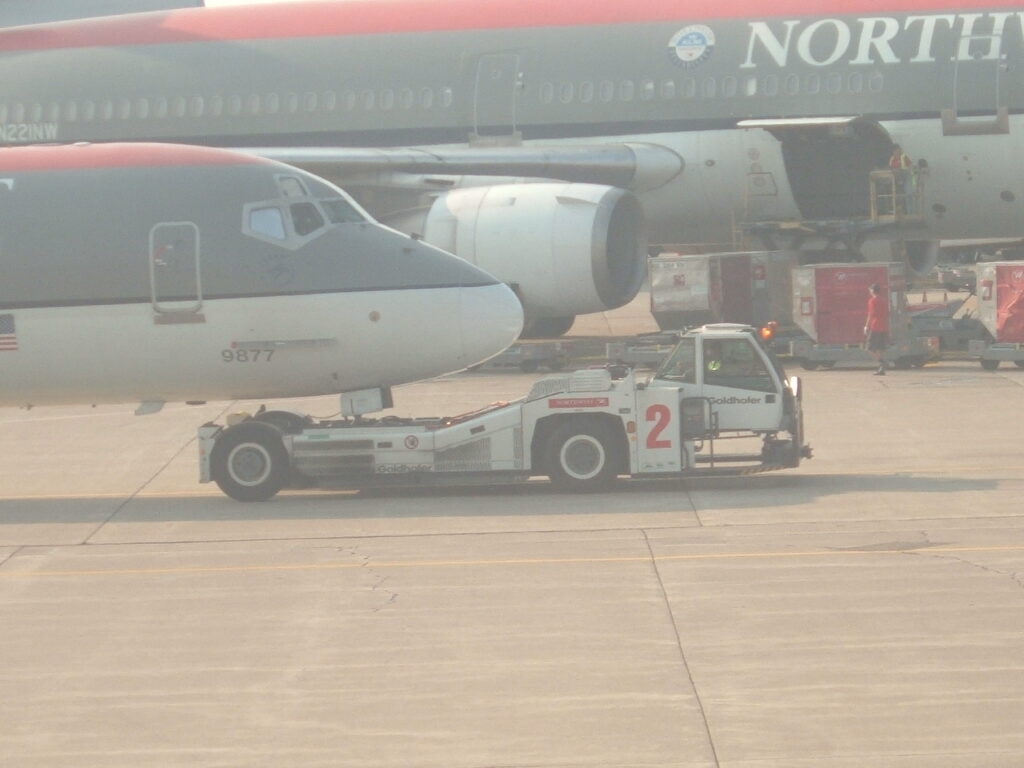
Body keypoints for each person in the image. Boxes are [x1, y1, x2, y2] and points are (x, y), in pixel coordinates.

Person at [864, 283, 890, 375]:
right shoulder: (884, 301)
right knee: (880, 348)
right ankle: (881, 369)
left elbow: (871, 314)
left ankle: (882, 362)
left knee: (870, 348)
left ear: (872, 291)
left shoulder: (872, 301)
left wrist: (866, 326)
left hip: (875, 326)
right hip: (884, 326)